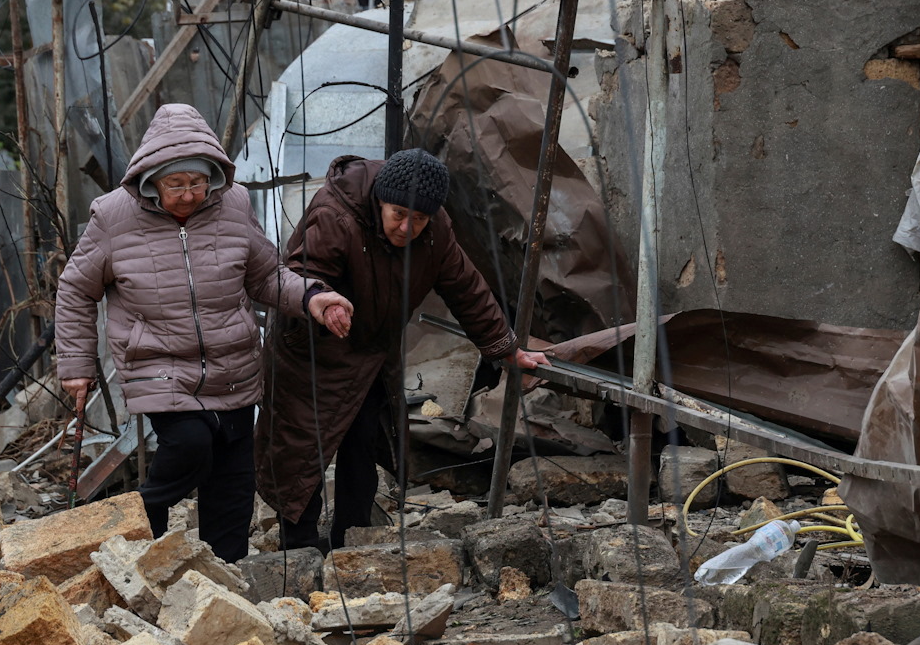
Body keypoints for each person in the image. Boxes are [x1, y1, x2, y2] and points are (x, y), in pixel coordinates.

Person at [54, 103, 352, 562]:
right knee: (191, 443)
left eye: (198, 182)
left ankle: (227, 572)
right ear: (151, 179)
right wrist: (76, 366)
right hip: (157, 364)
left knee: (234, 476)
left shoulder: (233, 204)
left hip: (233, 364)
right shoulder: (113, 216)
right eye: (177, 184)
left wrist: (313, 297)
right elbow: (75, 289)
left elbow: (266, 276)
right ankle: (137, 528)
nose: (190, 194)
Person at [255, 148, 549, 552]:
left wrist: (506, 349)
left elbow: (466, 289)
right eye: (399, 215)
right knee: (301, 450)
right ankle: (299, 550)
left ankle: (352, 545)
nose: (408, 227)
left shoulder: (436, 231)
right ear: (380, 201)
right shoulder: (335, 215)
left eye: (420, 219)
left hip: (372, 354)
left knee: (363, 443)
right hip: (311, 347)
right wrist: (324, 302)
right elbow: (302, 274)